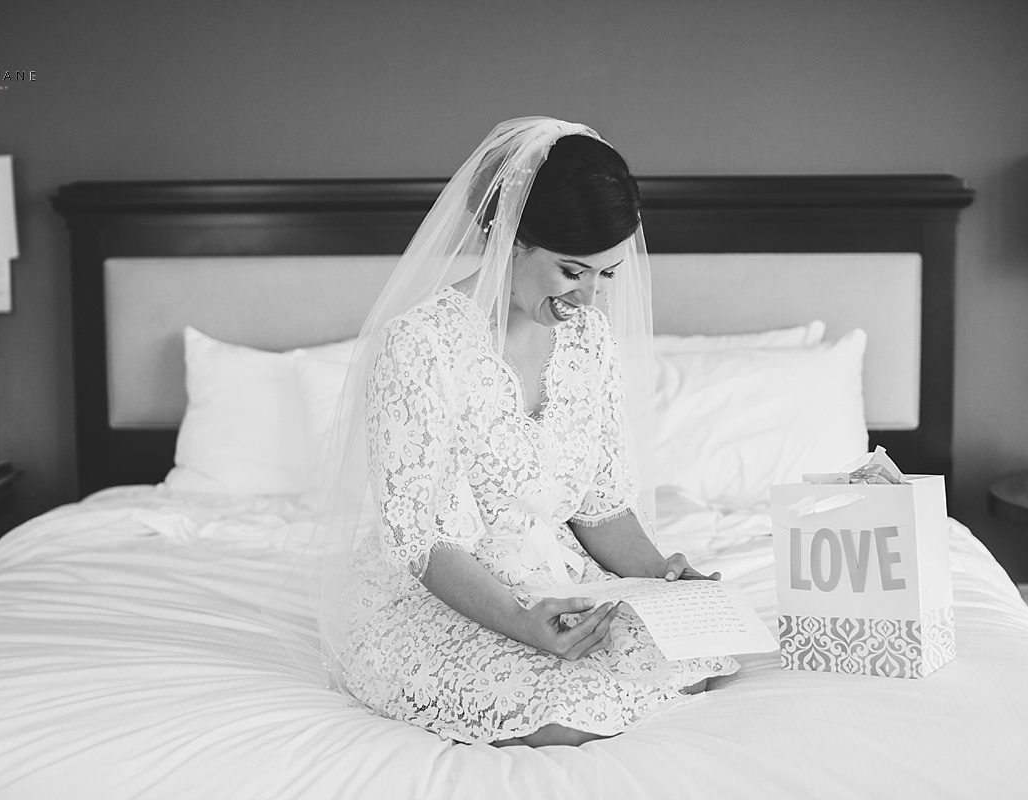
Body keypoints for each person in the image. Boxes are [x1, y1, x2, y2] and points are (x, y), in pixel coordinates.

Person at [310, 117, 738, 747]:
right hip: (443, 593)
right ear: (508, 237)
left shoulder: (589, 343)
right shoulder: (420, 347)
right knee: (566, 712)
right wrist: (522, 620)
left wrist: (661, 578)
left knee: (694, 664)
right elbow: (426, 544)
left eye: (606, 275)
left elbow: (599, 509)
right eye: (572, 272)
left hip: (558, 578)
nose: (589, 298)